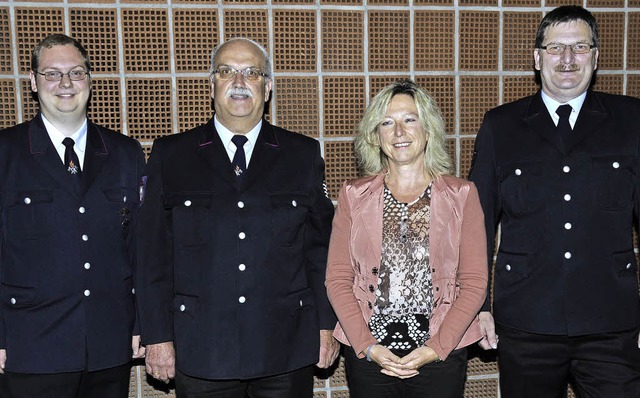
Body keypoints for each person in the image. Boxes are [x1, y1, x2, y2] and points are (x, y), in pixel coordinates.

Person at [136, 37, 339, 398]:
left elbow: (320, 252)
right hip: (202, 348)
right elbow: (152, 255)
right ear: (211, 84)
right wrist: (157, 336)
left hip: (285, 345)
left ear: (269, 86)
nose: (240, 82)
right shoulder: (172, 155)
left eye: (252, 73)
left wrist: (325, 326)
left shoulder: (302, 154)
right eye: (227, 71)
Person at [468, 5, 640, 397]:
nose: (567, 59)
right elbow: (474, 225)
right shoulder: (501, 126)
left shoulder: (632, 121)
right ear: (537, 56)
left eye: (579, 47)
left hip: (611, 322)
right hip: (527, 322)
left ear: (596, 57)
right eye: (555, 48)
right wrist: (478, 309)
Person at [0, 34, 146, 398]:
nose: (65, 84)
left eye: (76, 73)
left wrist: (144, 323)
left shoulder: (125, 153)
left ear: (90, 80)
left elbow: (142, 249)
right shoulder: (6, 154)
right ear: (32, 82)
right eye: (52, 73)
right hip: (30, 346)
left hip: (108, 345)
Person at [325, 79, 488, 398]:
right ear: (376, 135)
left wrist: (436, 348)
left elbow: (475, 282)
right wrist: (367, 346)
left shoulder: (461, 195)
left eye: (409, 119)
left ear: (428, 130)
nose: (398, 132)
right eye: (387, 122)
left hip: (441, 355)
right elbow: (338, 279)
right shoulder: (353, 195)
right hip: (370, 358)